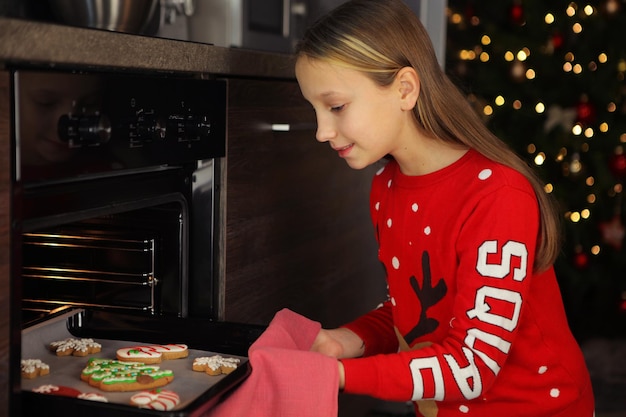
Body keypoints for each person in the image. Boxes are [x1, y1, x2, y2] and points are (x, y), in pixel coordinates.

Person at [294, 0, 595, 416]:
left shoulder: (497, 196)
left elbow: (472, 366)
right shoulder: (386, 186)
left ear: (404, 89)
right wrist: (344, 341)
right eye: (315, 110)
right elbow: (415, 315)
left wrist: (340, 377)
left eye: (337, 106)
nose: (322, 131)